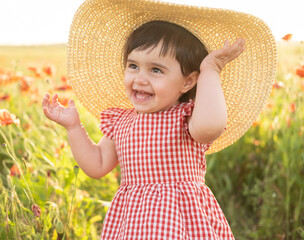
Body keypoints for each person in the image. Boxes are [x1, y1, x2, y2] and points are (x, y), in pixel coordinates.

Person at [43, 0, 277, 239]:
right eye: (133, 66)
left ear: (188, 82)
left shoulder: (187, 117)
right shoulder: (121, 122)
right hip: (134, 223)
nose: (140, 78)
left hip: (182, 221)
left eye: (156, 70)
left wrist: (211, 70)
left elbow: (211, 127)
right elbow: (97, 164)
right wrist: (73, 126)